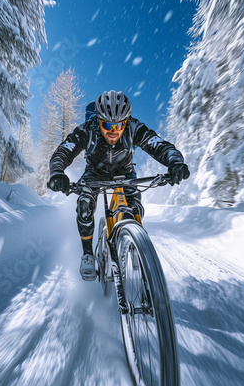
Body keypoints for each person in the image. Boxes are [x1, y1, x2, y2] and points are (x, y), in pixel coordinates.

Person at [48, 90, 190, 280]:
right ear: (98, 120)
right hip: (94, 172)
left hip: (124, 170)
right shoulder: (87, 129)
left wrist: (174, 161)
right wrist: (57, 172)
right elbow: (63, 151)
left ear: (126, 121)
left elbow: (159, 145)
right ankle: (88, 254)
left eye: (119, 124)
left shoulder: (134, 127)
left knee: (134, 207)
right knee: (84, 205)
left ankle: (138, 245)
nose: (113, 130)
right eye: (107, 125)